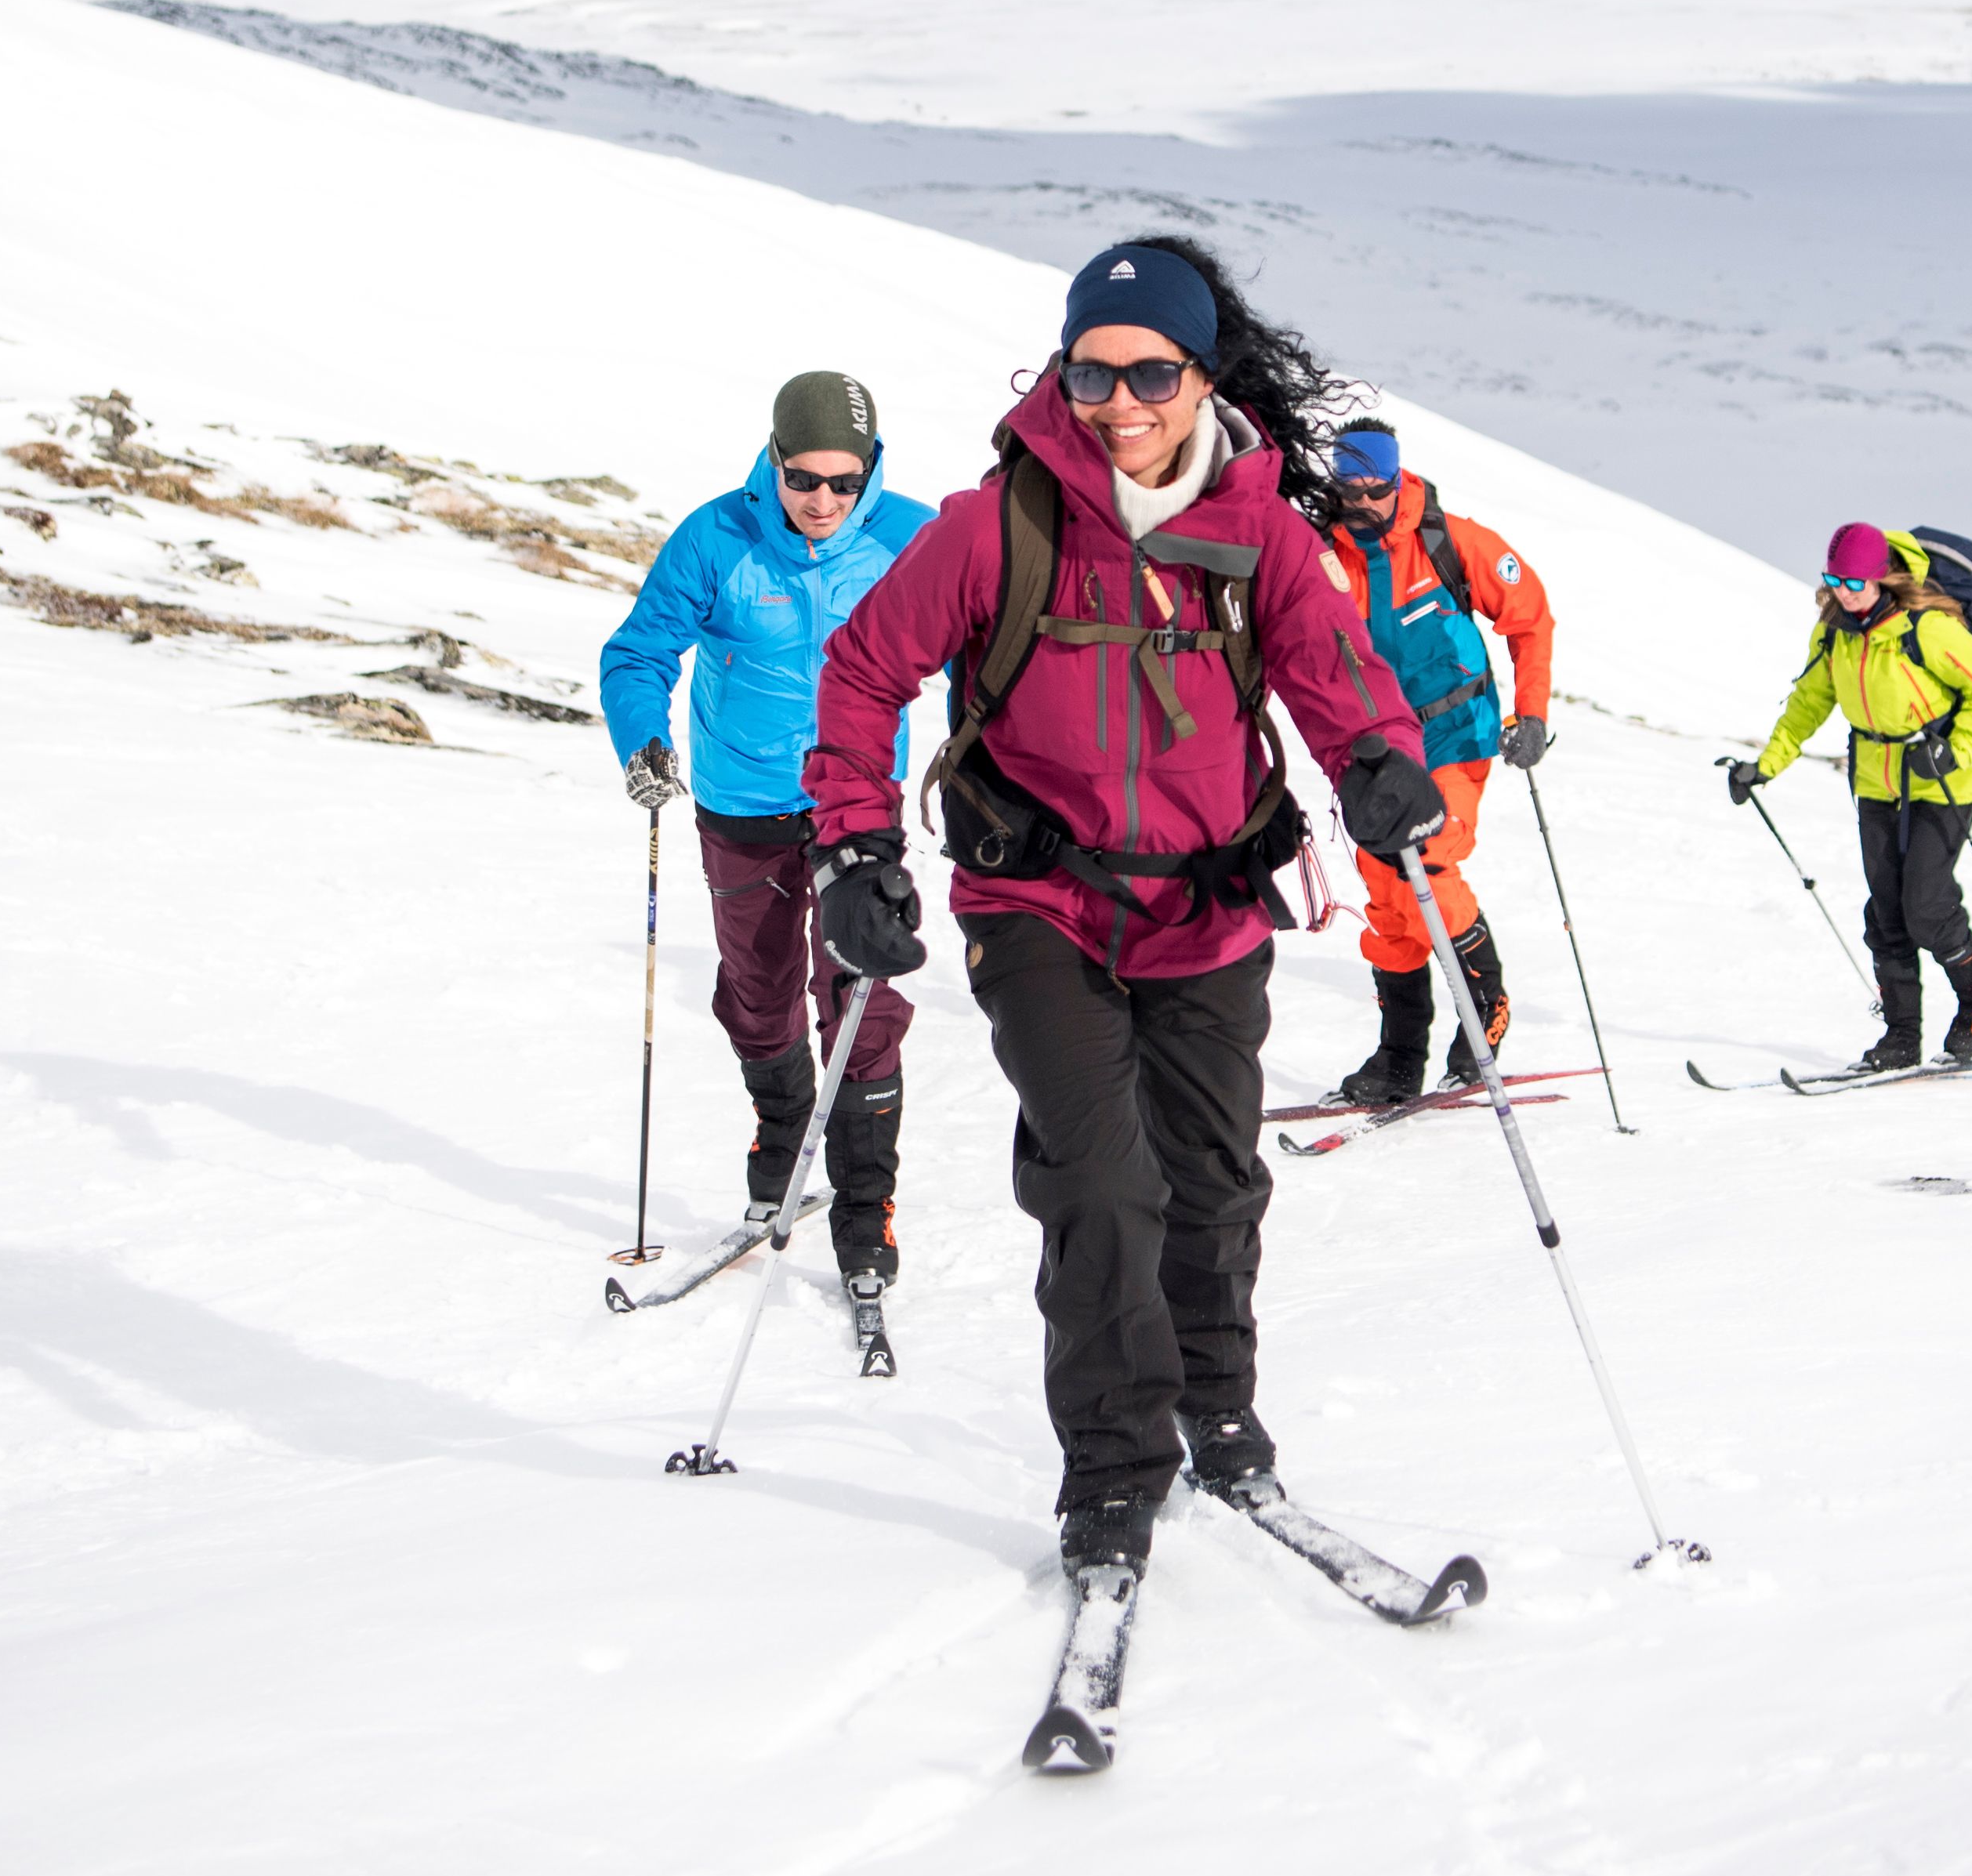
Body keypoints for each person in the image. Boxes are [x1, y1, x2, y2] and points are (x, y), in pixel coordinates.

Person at [804, 237, 1441, 1575]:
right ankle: (1110, 1467)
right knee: (1098, 1181)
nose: (1120, 399)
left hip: (1205, 905)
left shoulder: (1258, 531)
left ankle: (1217, 1415)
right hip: (1036, 900)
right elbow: (863, 676)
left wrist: (1379, 762)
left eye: (1152, 369)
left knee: (1212, 1181)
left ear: (1202, 376)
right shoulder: (996, 525)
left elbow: (1335, 676)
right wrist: (855, 850)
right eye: (1091, 370)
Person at [599, 370, 937, 1294]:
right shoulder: (719, 537)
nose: (824, 501)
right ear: (774, 461)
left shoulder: (913, 535)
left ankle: (868, 1207)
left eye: (844, 481)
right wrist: (643, 738)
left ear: (870, 471)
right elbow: (639, 650)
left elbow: (990, 638)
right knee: (757, 990)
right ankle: (785, 1132)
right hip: (742, 798)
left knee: (863, 994)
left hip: (855, 802)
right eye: (804, 479)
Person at [1315, 418, 1557, 1104]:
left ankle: (1487, 1005)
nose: (1360, 503)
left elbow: (1530, 617)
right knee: (1389, 899)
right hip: (1370, 752)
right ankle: (1399, 1058)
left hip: (1454, 738)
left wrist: (1532, 714)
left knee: (1433, 858)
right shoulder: (1323, 554)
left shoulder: (1450, 541)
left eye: (1375, 490)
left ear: (1398, 482)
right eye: (1347, 489)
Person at [1726, 522, 1972, 1071]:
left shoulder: (1927, 629)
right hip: (1877, 782)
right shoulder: (1834, 632)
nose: (1844, 590)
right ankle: (1902, 1040)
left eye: (1855, 579)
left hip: (1942, 780)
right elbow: (1809, 702)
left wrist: (1957, 748)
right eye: (1834, 578)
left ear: (1883, 577)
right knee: (1885, 915)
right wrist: (1764, 766)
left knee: (1926, 906)